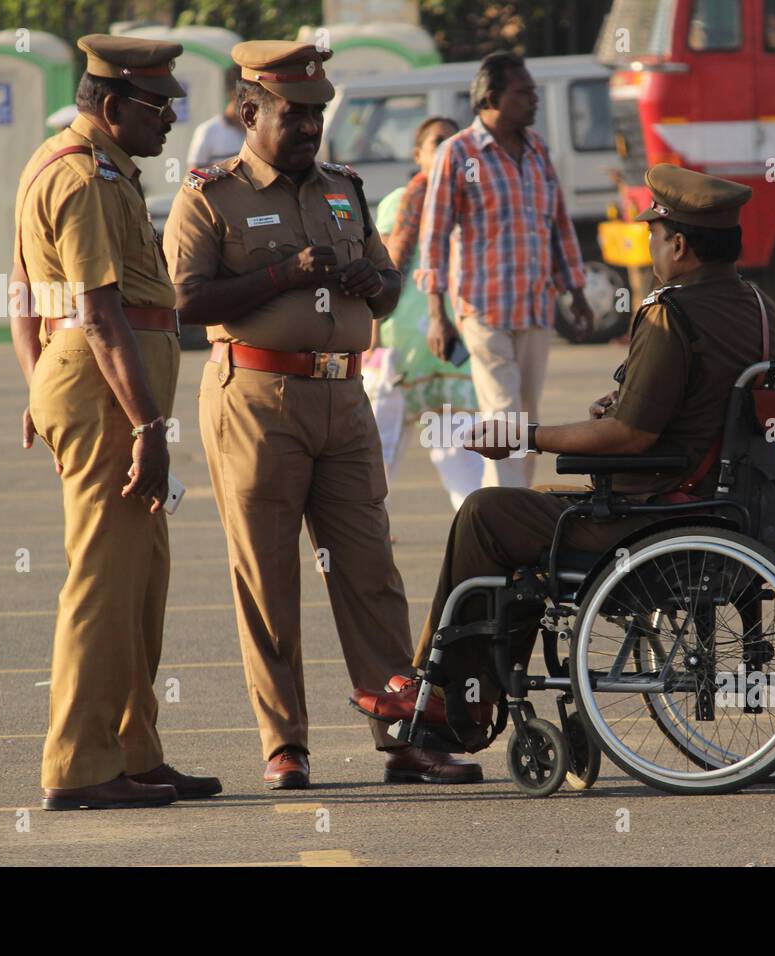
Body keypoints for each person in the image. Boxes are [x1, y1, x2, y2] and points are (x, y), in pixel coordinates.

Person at [351, 164, 775, 723]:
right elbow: (709, 401)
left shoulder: (670, 313)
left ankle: (447, 694)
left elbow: (628, 436)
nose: (650, 246)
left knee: (487, 514)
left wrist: (523, 435)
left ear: (678, 245)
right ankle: (472, 690)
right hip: (735, 503)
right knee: (536, 508)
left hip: (657, 516)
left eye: (654, 235)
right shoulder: (759, 308)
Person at [163, 40, 482, 789]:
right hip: (256, 399)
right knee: (268, 578)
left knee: (371, 570)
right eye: (295, 114)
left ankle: (401, 735)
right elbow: (187, 301)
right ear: (250, 112)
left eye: (318, 113)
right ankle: (286, 745)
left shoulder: (344, 187)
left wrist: (378, 280)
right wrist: (281, 273)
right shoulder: (210, 193)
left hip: (345, 392)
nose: (311, 127)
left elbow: (389, 290)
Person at [9, 34, 222, 810]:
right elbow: (99, 315)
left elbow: (22, 295)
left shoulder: (71, 163)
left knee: (141, 580)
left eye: (172, 103)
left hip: (93, 389)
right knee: (103, 583)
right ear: (108, 106)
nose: (170, 117)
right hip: (109, 397)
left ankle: (133, 750)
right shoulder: (86, 178)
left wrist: (37, 389)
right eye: (156, 104)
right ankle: (77, 767)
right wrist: (146, 429)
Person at [414, 52, 595, 490]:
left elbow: (558, 224)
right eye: (525, 93)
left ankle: (511, 509)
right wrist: (437, 314)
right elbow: (434, 237)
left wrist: (577, 291)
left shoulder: (538, 151)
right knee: (505, 417)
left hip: (535, 307)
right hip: (483, 311)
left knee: (527, 423)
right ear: (492, 98)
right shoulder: (457, 153)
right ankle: (503, 521)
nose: (534, 101)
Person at [364, 115, 483, 513]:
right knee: (379, 451)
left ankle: (480, 531)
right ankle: (366, 533)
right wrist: (372, 334)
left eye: (454, 142)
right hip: (399, 345)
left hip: (452, 346)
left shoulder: (472, 203)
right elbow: (383, 270)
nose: (447, 149)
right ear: (418, 155)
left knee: (461, 455)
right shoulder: (400, 201)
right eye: (437, 142)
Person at [186, 66, 246, 169]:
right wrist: (226, 170)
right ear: (234, 96)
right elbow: (193, 176)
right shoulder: (208, 130)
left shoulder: (256, 130)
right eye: (248, 96)